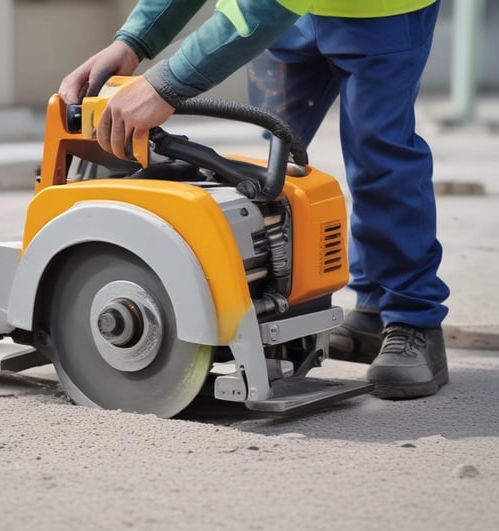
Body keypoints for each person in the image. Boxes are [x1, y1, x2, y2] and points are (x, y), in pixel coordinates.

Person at [59, 0, 449, 400]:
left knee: (378, 157)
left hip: (379, 13)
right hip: (288, 22)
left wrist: (165, 84)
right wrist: (134, 40)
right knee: (276, 167)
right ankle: (368, 313)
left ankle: (412, 319)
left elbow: (268, 6)